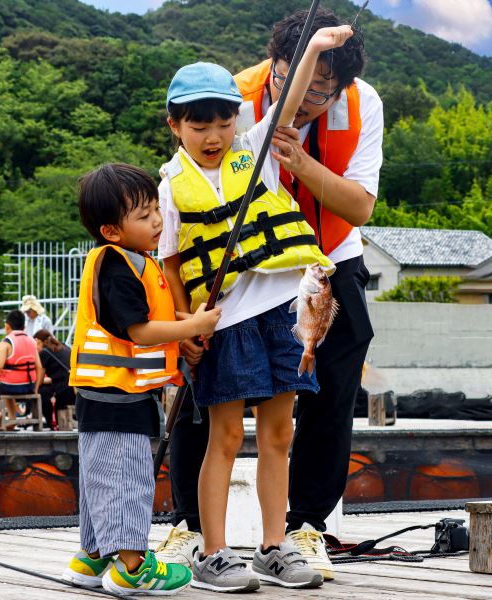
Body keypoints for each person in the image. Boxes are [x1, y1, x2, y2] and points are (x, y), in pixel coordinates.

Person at [158, 8, 382, 583]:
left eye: (221, 122)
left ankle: (286, 538)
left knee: (295, 420)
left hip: (298, 292)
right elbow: (171, 260)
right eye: (198, 124)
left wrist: (318, 50)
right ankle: (201, 540)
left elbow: (357, 205)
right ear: (176, 125)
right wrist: (186, 325)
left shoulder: (269, 138)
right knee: (220, 427)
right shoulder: (181, 170)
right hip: (227, 312)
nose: (213, 133)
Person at [59, 163, 221, 595]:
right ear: (112, 230)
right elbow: (140, 331)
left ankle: (92, 558)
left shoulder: (134, 262)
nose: (157, 221)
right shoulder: (117, 267)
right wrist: (191, 328)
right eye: (144, 215)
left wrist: (189, 323)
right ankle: (132, 567)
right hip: (118, 395)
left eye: (156, 210)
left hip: (107, 394)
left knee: (100, 476)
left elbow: (159, 318)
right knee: (127, 477)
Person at [0, 309, 44, 431]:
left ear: (7, 326)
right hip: (29, 386)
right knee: (9, 387)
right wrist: (35, 388)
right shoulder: (32, 341)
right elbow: (39, 367)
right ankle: (12, 418)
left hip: (9, 386)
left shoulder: (6, 342)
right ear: (24, 326)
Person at [32, 329, 76, 430]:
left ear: (38, 341)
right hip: (74, 388)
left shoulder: (44, 353)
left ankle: (51, 424)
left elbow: (40, 380)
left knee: (41, 391)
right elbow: (61, 374)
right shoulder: (64, 347)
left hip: (63, 391)